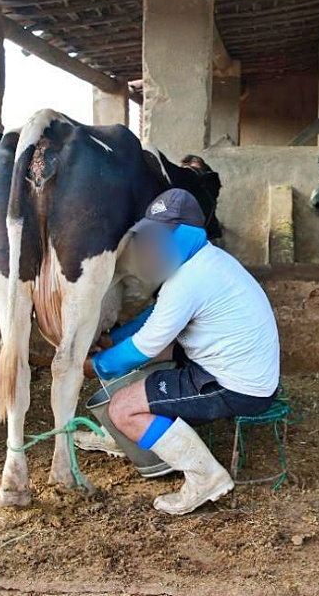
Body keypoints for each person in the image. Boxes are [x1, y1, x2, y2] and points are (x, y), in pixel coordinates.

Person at [82, 188, 280, 515]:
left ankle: (205, 477)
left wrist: (99, 365)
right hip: (238, 372)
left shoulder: (189, 279)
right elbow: (156, 316)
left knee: (122, 408)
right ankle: (123, 437)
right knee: (143, 368)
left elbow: (148, 344)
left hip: (236, 386)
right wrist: (115, 339)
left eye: (162, 237)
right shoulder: (207, 261)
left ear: (188, 234)